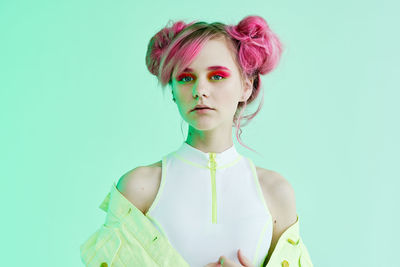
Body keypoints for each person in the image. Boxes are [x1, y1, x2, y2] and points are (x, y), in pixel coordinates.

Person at [81, 15, 313, 267]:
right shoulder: (138, 189)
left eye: (217, 76)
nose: (199, 90)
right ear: (172, 90)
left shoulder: (276, 193)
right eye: (185, 78)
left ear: (246, 86)